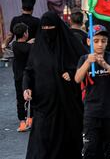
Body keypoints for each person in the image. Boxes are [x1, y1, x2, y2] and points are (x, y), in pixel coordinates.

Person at [22, 11, 87, 159]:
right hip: (43, 104)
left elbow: (84, 64)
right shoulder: (37, 48)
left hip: (67, 104)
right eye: (44, 29)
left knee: (67, 142)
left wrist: (71, 73)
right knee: (41, 143)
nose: (47, 32)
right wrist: (26, 88)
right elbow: (29, 71)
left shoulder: (69, 45)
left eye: (51, 28)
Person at [75, 24, 110, 159]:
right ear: (88, 41)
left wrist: (106, 65)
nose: (100, 44)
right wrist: (87, 63)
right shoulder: (84, 59)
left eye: (103, 41)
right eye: (96, 41)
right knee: (90, 148)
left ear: (107, 42)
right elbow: (77, 78)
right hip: (91, 110)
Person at [11, 23, 33, 132]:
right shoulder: (31, 47)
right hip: (29, 76)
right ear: (25, 34)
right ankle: (31, 119)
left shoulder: (14, 45)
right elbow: (28, 48)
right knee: (32, 97)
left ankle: (22, 122)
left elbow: (21, 46)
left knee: (20, 99)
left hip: (18, 76)